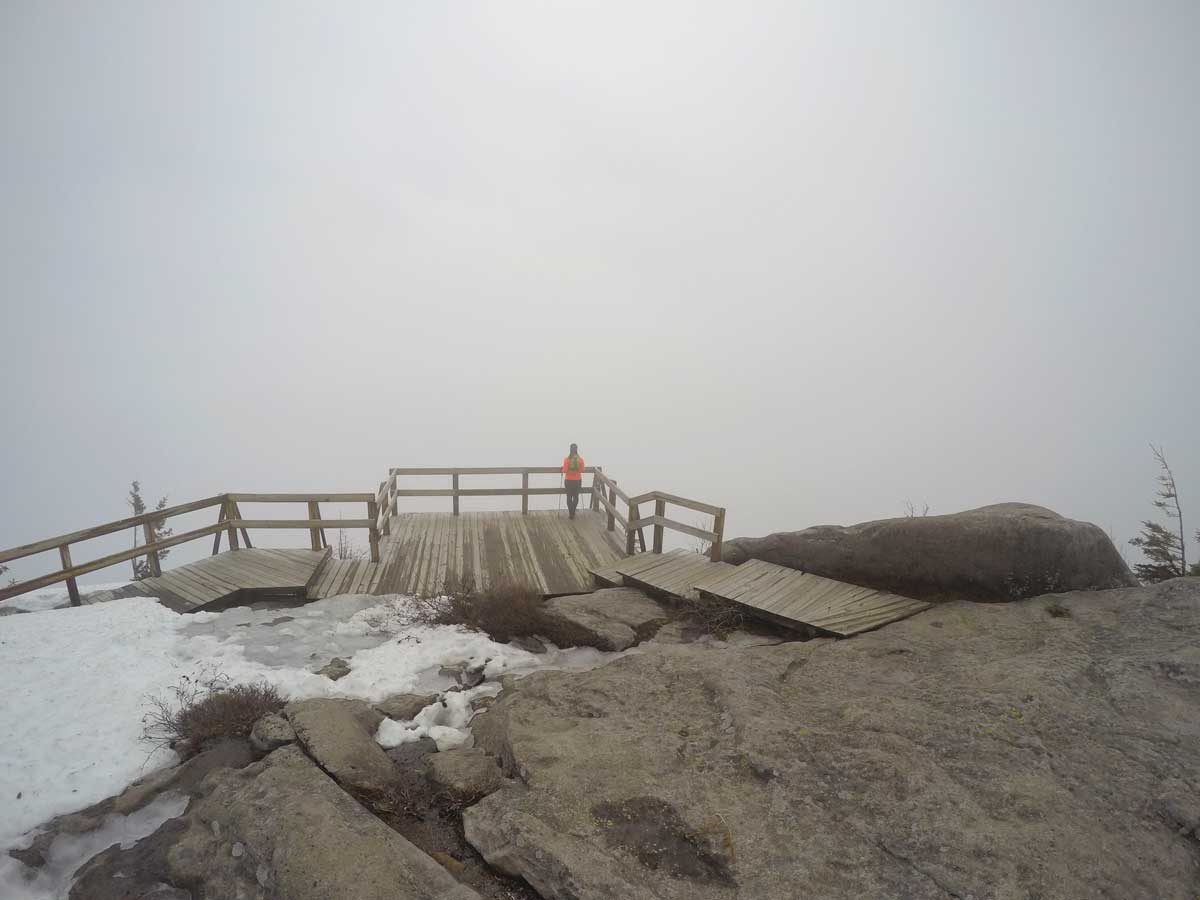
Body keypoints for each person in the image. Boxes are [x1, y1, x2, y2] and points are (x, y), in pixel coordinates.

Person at [561, 443, 585, 519]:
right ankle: (573, 512)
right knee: (576, 497)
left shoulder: (567, 460)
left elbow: (564, 471)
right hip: (577, 481)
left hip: (568, 481)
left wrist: (562, 469)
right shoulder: (580, 460)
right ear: (576, 450)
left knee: (569, 496)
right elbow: (582, 470)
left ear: (570, 450)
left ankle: (570, 513)